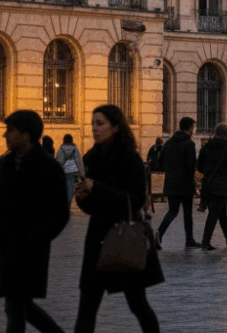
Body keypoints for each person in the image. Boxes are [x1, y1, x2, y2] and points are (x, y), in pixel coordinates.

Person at [74, 105, 162, 333]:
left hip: (125, 237)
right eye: (93, 123)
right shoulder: (91, 157)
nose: (94, 128)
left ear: (114, 127)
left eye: (100, 123)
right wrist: (83, 196)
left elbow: (135, 199)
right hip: (97, 238)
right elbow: (93, 206)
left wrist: (98, 188)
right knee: (87, 306)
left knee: (137, 303)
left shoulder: (129, 158)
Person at [1, 110, 70, 333]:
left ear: (26, 134)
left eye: (10, 130)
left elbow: (60, 212)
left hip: (31, 249)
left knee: (16, 305)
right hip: (6, 246)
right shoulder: (5, 164)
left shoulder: (48, 167)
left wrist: (37, 237)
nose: (5, 136)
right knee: (19, 305)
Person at [155, 117, 199, 249]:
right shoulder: (189, 144)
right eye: (193, 128)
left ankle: (159, 232)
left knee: (172, 211)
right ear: (190, 128)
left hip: (171, 183)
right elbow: (191, 166)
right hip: (185, 184)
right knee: (187, 212)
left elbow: (160, 164)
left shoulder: (168, 144)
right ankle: (189, 239)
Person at [197, 122, 227, 250]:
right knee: (214, 214)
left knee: (222, 214)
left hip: (208, 185)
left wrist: (208, 173)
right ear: (226, 134)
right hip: (221, 186)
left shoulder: (206, 147)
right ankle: (205, 242)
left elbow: (199, 166)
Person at [55, 133, 84, 205]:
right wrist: (82, 173)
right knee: (70, 188)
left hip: (63, 171)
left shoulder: (61, 149)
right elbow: (79, 161)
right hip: (72, 171)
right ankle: (68, 203)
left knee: (63, 188)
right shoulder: (75, 148)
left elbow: (59, 161)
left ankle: (64, 203)